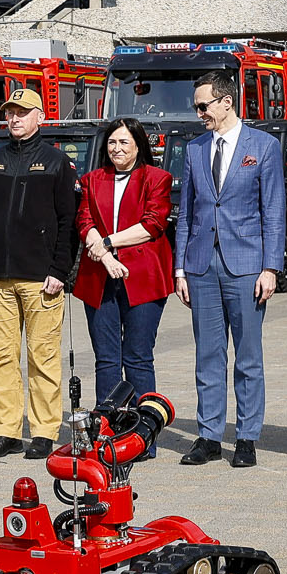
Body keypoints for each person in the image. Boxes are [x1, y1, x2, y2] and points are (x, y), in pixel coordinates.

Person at [174, 69, 286, 467]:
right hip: (202, 266)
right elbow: (186, 214)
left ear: (226, 101)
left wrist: (271, 267)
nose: (199, 113)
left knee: (248, 357)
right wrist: (181, 270)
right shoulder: (194, 149)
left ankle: (246, 437)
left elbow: (273, 212)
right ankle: (207, 436)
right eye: (196, 106)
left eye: (204, 105)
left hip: (246, 267)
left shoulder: (264, 146)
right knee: (208, 355)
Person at [0, 87, 79, 460]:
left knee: (43, 357)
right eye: (10, 112)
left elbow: (68, 222)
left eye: (22, 112)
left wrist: (60, 270)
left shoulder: (56, 163)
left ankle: (44, 432)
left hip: (41, 278)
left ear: (39, 117)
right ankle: (7, 431)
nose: (14, 118)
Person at [75, 118, 174, 418]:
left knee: (138, 358)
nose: (116, 149)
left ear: (138, 145)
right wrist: (105, 256)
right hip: (99, 278)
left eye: (124, 143)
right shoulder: (92, 179)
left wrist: (107, 241)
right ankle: (108, 428)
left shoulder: (157, 178)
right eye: (112, 143)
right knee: (106, 359)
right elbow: (84, 221)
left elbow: (152, 225)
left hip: (143, 278)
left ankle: (144, 433)